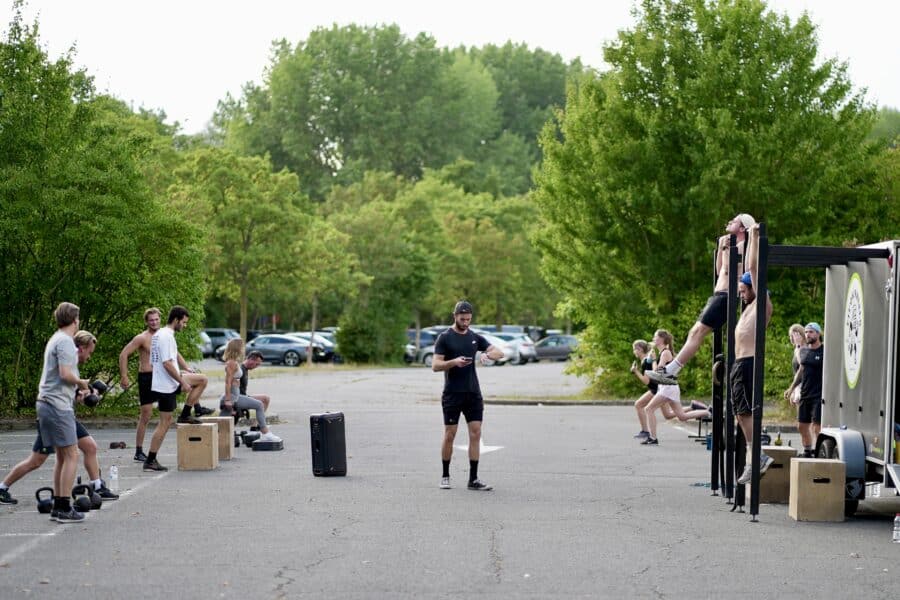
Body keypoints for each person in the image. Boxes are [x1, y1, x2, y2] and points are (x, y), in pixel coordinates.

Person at [0, 330, 119, 507]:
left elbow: (69, 393)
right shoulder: (66, 364)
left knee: (89, 447)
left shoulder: (71, 364)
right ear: (82, 348)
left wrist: (85, 395)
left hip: (63, 414)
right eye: (90, 352)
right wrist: (81, 387)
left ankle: (97, 486)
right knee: (38, 460)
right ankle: (4, 488)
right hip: (55, 415)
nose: (90, 357)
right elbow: (58, 387)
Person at [648, 214, 756, 385]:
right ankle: (671, 370)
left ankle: (670, 371)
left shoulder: (743, 246)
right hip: (719, 295)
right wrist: (721, 248)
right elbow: (720, 271)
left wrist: (725, 247)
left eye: (734, 221)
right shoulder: (732, 246)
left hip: (726, 296)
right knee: (695, 332)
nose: (729, 221)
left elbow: (729, 268)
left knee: (697, 332)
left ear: (742, 228)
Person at [119, 307, 212, 463]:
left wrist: (186, 368)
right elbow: (124, 354)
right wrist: (124, 376)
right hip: (148, 377)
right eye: (151, 320)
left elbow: (174, 354)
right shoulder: (143, 338)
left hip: (164, 376)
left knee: (198, 382)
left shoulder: (162, 335)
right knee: (146, 415)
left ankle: (192, 410)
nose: (154, 322)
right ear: (146, 322)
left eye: (157, 319)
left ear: (161, 319)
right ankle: (139, 451)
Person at [432, 300, 504, 491]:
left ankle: (473, 479)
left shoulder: (474, 337)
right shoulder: (445, 338)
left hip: (473, 393)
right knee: (450, 434)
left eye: (468, 319)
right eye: (462, 319)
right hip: (452, 394)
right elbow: (435, 365)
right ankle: (445, 475)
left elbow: (499, 352)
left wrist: (488, 355)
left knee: (476, 432)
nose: (465, 322)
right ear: (455, 316)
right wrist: (453, 362)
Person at [30, 302, 91, 522]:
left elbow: (59, 377)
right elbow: (65, 374)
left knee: (62, 456)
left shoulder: (56, 338)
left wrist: (76, 393)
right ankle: (64, 506)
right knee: (72, 454)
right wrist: (82, 383)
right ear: (74, 320)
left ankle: (58, 505)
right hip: (56, 406)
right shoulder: (65, 341)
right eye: (78, 318)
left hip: (49, 402)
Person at [731, 225, 775, 485]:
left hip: (749, 363)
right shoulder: (747, 306)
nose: (741, 293)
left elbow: (753, 267)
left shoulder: (762, 304)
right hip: (740, 363)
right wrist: (746, 239)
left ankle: (758, 455)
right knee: (740, 413)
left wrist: (755, 237)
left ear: (754, 288)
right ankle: (754, 456)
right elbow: (746, 270)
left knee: (746, 412)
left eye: (744, 289)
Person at [143, 306, 200, 472]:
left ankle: (186, 414)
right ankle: (150, 460)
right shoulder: (166, 336)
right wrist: (182, 381)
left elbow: (167, 358)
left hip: (165, 381)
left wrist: (184, 369)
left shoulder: (160, 334)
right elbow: (167, 363)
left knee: (202, 380)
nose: (185, 325)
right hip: (167, 385)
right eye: (184, 322)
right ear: (176, 320)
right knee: (165, 423)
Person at [642, 330, 710, 445]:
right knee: (681, 416)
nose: (653, 339)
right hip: (668, 387)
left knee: (648, 409)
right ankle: (708, 411)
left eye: (655, 336)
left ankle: (653, 438)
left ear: (661, 339)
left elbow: (658, 373)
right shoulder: (662, 352)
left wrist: (653, 360)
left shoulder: (665, 353)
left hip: (668, 387)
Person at [219, 340, 280, 442]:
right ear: (237, 349)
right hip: (233, 397)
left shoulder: (234, 362)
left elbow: (234, 380)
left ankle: (263, 431)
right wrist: (228, 400)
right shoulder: (231, 363)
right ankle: (265, 433)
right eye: (242, 348)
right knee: (259, 405)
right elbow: (227, 382)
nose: (243, 350)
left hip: (236, 396)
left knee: (222, 427)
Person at [784, 322, 824, 457]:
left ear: (818, 334)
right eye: (806, 332)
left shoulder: (824, 350)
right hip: (805, 394)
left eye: (811, 332)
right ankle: (807, 451)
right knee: (801, 426)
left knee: (817, 427)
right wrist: (791, 388)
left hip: (818, 395)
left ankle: (819, 454)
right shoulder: (804, 351)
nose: (808, 335)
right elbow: (800, 371)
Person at [631, 339, 675, 439]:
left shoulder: (646, 361)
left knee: (638, 405)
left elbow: (646, 381)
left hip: (656, 390)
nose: (634, 352)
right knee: (668, 415)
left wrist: (635, 371)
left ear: (640, 349)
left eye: (634, 349)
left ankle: (645, 431)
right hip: (660, 388)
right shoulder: (646, 359)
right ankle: (694, 407)